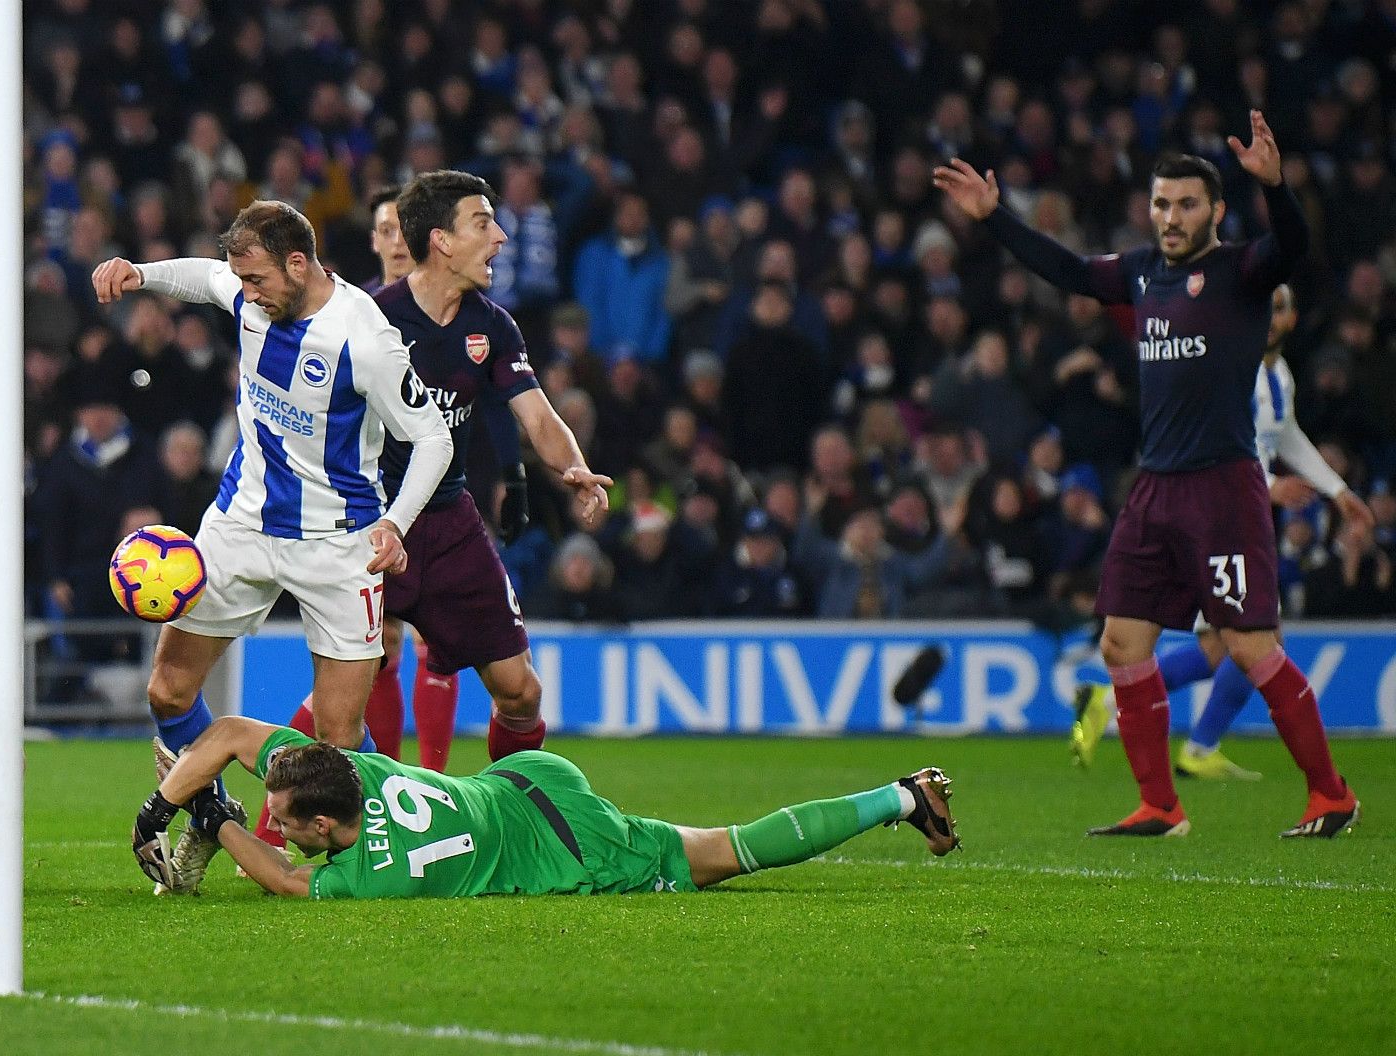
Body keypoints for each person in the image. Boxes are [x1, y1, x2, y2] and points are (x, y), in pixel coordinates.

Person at [936, 111, 1358, 838]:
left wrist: (1276, 188)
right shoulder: (1141, 274)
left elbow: (1291, 247)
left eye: (1186, 203)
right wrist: (995, 218)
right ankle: (1160, 806)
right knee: (1121, 644)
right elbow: (1068, 271)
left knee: (1253, 647)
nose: (1170, 216)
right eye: (1161, 203)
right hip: (1155, 488)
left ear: (1216, 211)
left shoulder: (1240, 273)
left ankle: (1331, 796)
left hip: (1223, 488)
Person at [91, 201, 453, 891]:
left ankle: (384, 855)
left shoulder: (365, 339)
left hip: (339, 544)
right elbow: (205, 278)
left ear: (299, 263)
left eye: (256, 280)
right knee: (168, 692)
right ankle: (207, 813)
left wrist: (396, 524)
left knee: (342, 741)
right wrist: (139, 273)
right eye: (242, 281)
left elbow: (434, 438)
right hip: (242, 526)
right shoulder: (254, 297)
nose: (246, 295)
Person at [264, 171, 609, 854]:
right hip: (365, 525)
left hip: (450, 526)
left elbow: (537, 415)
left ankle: (523, 822)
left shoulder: (492, 325)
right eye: (484, 223)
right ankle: (276, 830)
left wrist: (569, 466)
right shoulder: (369, 317)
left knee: (519, 692)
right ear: (442, 241)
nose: (501, 235)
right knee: (341, 708)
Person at [133, 714, 958, 900]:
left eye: (283, 818)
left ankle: (902, 794)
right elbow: (238, 733)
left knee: (730, 850)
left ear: (323, 827)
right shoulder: (350, 771)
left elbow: (286, 883)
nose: (277, 825)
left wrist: (211, 817)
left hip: (571, 846)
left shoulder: (370, 875)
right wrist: (170, 807)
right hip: (527, 776)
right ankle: (900, 795)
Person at [1068, 284, 1376, 780]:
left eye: (1278, 308)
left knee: (1224, 647)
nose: (1268, 318)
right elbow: (1215, 440)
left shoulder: (1279, 374)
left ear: (1293, 320)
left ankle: (1122, 709)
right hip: (1217, 517)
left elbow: (1284, 434)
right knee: (1257, 639)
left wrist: (1337, 491)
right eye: (1261, 306)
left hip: (1240, 517)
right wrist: (1271, 484)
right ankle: (1196, 745)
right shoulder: (1229, 368)